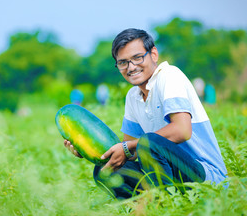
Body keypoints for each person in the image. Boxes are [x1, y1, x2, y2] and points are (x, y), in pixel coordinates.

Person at [63, 28, 227, 199]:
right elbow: (129, 152)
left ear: (153, 54)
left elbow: (182, 130)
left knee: (149, 142)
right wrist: (87, 149)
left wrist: (130, 146)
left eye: (137, 58)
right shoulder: (132, 97)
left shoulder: (170, 76)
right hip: (170, 172)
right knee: (105, 170)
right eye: (123, 62)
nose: (131, 67)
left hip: (206, 178)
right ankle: (147, 209)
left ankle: (166, 205)